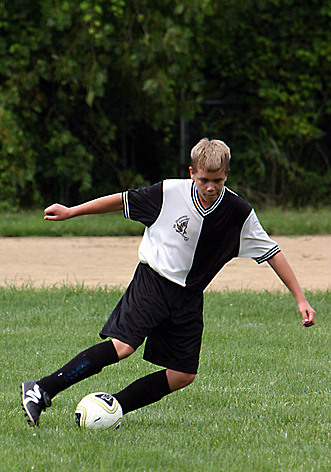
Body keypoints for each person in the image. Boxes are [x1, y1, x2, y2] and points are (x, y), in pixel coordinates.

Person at [21, 138, 316, 427]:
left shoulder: (239, 213)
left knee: (182, 374)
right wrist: (72, 211)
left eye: (218, 180)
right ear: (191, 173)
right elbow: (122, 200)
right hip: (153, 281)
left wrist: (300, 298)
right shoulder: (169, 192)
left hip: (189, 297)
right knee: (123, 346)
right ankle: (41, 389)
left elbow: (272, 252)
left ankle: (114, 407)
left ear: (227, 175)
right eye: (204, 180)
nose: (211, 187)